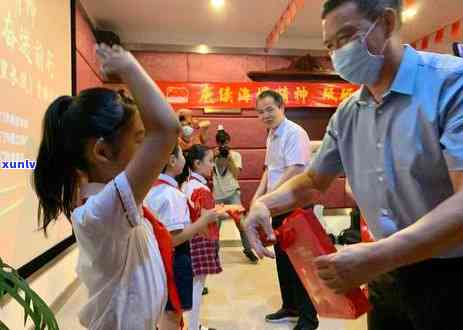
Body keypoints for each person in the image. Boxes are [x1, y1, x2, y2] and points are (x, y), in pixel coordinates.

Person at [244, 1, 463, 329]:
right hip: (383, 273)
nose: (338, 53)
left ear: (386, 24)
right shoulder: (347, 114)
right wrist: (264, 204)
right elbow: (312, 182)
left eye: (346, 37)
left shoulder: (450, 84)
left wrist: (380, 255)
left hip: (451, 275)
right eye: (330, 46)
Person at [33, 44, 180, 329]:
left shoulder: (110, 205)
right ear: (102, 152)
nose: (147, 148)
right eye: (139, 138)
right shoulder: (102, 212)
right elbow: (166, 129)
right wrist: (127, 65)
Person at [252, 90, 318, 330]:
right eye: (260, 112)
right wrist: (257, 199)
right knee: (283, 260)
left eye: (269, 109)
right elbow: (269, 171)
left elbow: (295, 170)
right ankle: (290, 305)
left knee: (302, 263)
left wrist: (267, 199)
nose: (265, 115)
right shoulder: (271, 136)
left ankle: (309, 319)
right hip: (277, 206)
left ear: (282, 107)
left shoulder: (295, 133)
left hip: (296, 206)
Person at [144, 144, 228, 330]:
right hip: (174, 258)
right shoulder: (171, 194)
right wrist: (202, 221)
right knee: (173, 315)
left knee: (168, 311)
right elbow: (172, 239)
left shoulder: (154, 188)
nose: (185, 157)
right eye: (182, 154)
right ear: (172, 161)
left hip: (160, 258)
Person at [181, 144, 221, 330]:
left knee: (194, 286)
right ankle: (193, 325)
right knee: (197, 287)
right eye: (210, 161)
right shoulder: (201, 189)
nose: (213, 165)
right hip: (201, 238)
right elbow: (206, 216)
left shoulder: (187, 184)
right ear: (197, 163)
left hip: (190, 237)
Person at [212, 126, 258, 263]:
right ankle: (214, 254)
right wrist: (213, 156)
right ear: (217, 143)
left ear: (229, 142)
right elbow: (206, 172)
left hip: (233, 193)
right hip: (217, 195)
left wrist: (229, 158)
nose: (223, 146)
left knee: (241, 224)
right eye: (221, 143)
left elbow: (236, 174)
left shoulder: (236, 155)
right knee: (215, 227)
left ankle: (248, 250)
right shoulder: (212, 156)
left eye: (225, 143)